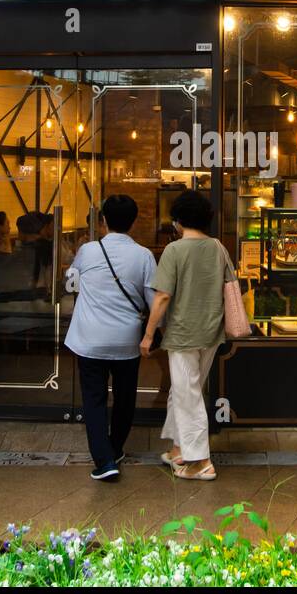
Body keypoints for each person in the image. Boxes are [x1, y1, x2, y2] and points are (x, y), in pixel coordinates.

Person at [65, 195, 155, 482]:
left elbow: (71, 283)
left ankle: (104, 461)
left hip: (89, 338)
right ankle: (114, 449)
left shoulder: (88, 251)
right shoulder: (143, 255)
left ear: (102, 220)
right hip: (126, 339)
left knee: (94, 399)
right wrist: (153, 332)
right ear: (134, 221)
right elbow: (154, 300)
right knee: (125, 398)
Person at [141, 190, 227, 481]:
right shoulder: (218, 247)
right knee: (185, 391)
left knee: (188, 395)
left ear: (177, 221)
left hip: (183, 333)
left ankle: (200, 462)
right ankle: (178, 448)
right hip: (212, 332)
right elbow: (231, 283)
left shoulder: (174, 250)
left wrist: (148, 334)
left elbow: (163, 296)